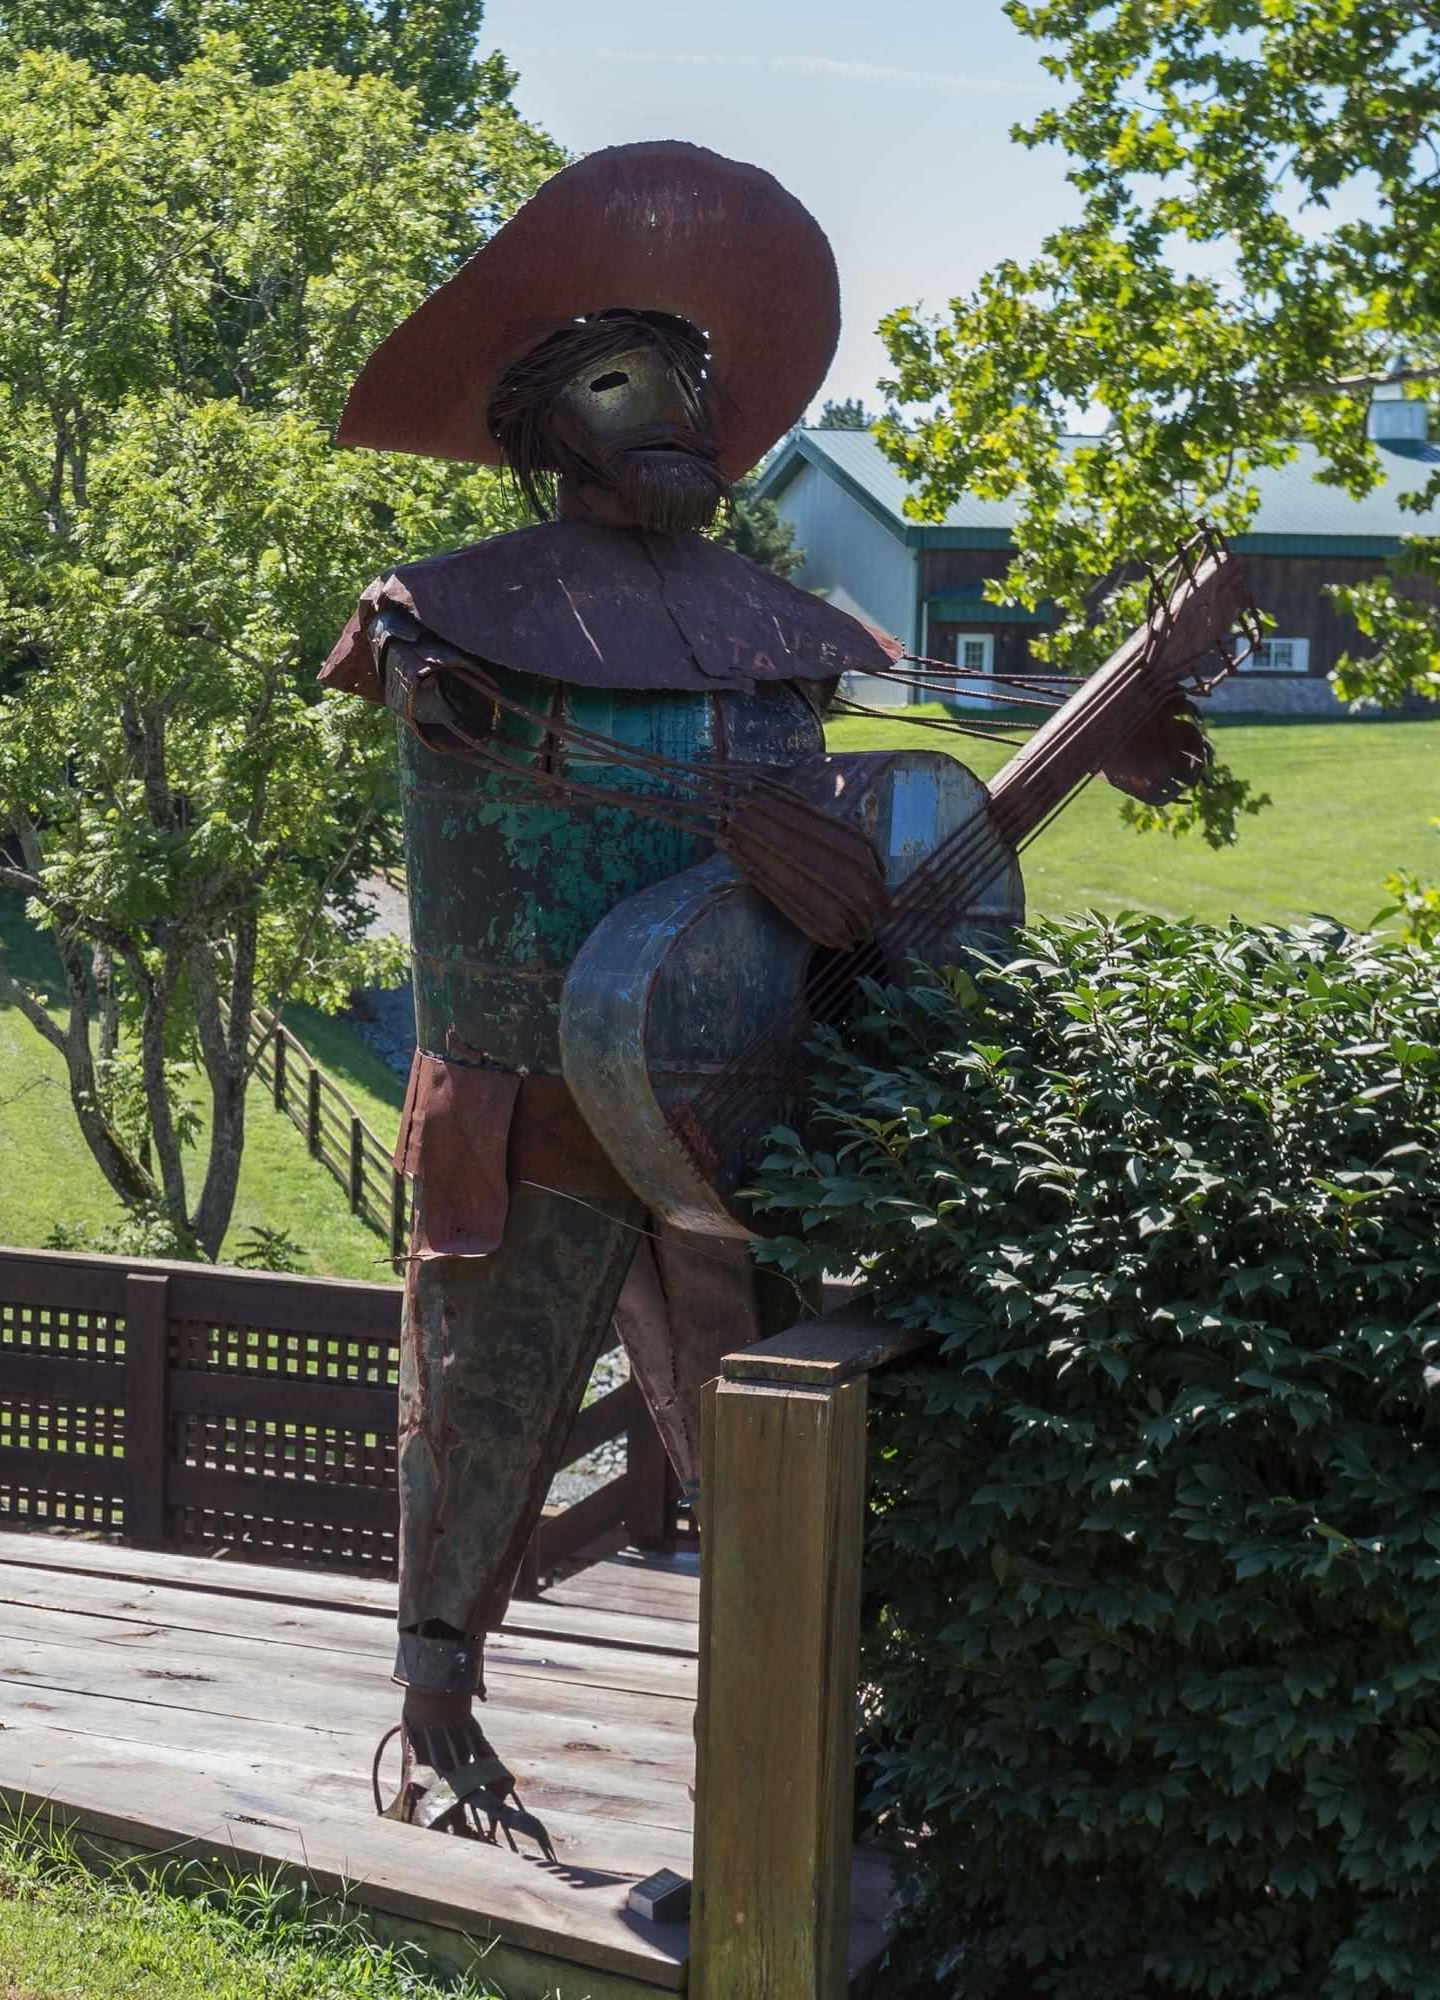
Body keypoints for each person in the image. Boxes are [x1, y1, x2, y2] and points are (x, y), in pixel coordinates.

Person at [319, 144, 891, 1844]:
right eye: (625, 383)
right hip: (526, 1107)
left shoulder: (777, 638)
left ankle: (795, 1751)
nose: (678, 418)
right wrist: (415, 664)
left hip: (724, 1108)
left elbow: (849, 864)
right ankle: (435, 1711)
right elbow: (386, 653)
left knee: (760, 1436)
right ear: (543, 424)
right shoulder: (447, 616)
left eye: (691, 386)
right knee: (477, 1409)